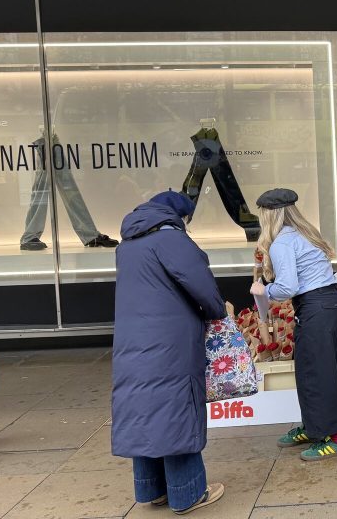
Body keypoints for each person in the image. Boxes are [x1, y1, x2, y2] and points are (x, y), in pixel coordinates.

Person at [111, 190, 225, 515]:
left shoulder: (128, 245)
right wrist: (217, 311)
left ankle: (152, 490)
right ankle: (187, 493)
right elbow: (202, 286)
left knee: (144, 407)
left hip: (132, 341)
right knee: (176, 407)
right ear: (178, 216)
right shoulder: (173, 240)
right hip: (171, 341)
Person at [249, 188, 337, 461]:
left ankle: (333, 439)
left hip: (316, 307)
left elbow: (287, 287)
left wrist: (264, 291)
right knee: (320, 372)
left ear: (269, 215)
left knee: (315, 375)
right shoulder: (305, 232)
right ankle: (315, 427)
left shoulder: (281, 243)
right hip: (334, 303)